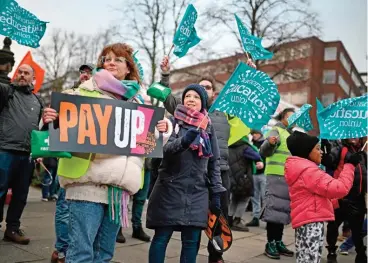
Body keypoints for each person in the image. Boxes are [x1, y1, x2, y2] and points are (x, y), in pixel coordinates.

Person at [42, 43, 173, 263]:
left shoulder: (139, 101)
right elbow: (59, 125)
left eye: (118, 59)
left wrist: (163, 130)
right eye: (106, 58)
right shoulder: (83, 92)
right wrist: (51, 117)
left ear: (128, 68)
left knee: (104, 255)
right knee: (81, 254)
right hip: (88, 185)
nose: (110, 62)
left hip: (118, 192)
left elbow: (149, 143)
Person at [160, 56, 231, 263]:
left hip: (219, 170)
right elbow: (168, 98)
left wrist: (251, 74)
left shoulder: (223, 113)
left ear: (213, 93)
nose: (201, 91)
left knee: (216, 219)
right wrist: (165, 75)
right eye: (198, 88)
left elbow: (241, 103)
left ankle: (216, 255)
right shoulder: (182, 114)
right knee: (187, 225)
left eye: (206, 87)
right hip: (187, 176)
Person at [147, 84, 226, 263]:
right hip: (169, 189)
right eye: (187, 96)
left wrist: (216, 192)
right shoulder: (170, 122)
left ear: (203, 103)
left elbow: (214, 162)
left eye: (196, 97)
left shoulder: (208, 127)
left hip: (197, 192)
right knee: (161, 238)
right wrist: (185, 140)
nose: (191, 99)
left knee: (191, 242)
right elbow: (164, 150)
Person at [285, 131, 359, 263]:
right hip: (311, 223)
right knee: (312, 259)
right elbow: (340, 188)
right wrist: (349, 166)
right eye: (318, 149)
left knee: (305, 258)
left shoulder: (301, 168)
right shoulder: (309, 171)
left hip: (305, 220)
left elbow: (318, 193)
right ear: (306, 152)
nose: (321, 152)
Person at [50, 63, 94, 263]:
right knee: (64, 207)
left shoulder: (103, 99)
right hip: (70, 158)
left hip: (91, 162)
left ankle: (73, 250)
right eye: (83, 72)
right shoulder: (69, 95)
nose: (85, 75)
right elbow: (53, 126)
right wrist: (49, 118)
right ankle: (61, 249)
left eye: (90, 72)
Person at [0, 62, 43, 245]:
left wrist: (39, 151)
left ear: (34, 78)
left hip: (27, 156)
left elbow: (38, 128)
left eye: (27, 73)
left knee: (20, 195)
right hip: (5, 151)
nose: (22, 75)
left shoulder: (37, 100)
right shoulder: (6, 92)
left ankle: (12, 228)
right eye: (20, 72)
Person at [322, 137, 367, 263]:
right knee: (333, 227)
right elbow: (328, 161)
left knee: (357, 230)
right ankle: (331, 252)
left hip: (357, 199)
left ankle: (361, 254)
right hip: (341, 197)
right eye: (351, 135)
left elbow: (365, 175)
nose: (354, 137)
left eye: (356, 135)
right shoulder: (341, 149)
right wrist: (325, 148)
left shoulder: (363, 154)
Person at [259, 108, 295, 260]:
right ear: (283, 117)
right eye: (290, 116)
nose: (293, 119)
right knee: (274, 210)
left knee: (282, 211)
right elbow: (263, 151)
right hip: (275, 176)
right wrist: (270, 144)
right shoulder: (276, 130)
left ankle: (278, 241)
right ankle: (270, 242)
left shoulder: (291, 135)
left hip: (287, 177)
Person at [228, 135, 262, 231]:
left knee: (234, 199)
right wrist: (251, 146)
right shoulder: (245, 147)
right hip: (244, 179)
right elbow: (257, 155)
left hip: (233, 179)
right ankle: (237, 221)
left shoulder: (229, 146)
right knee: (244, 199)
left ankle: (229, 219)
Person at [246, 130, 267, 227]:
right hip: (254, 173)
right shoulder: (251, 144)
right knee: (254, 197)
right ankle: (255, 217)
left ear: (260, 134)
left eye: (255, 133)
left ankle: (268, 218)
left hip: (264, 173)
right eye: (252, 134)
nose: (254, 135)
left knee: (265, 196)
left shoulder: (265, 144)